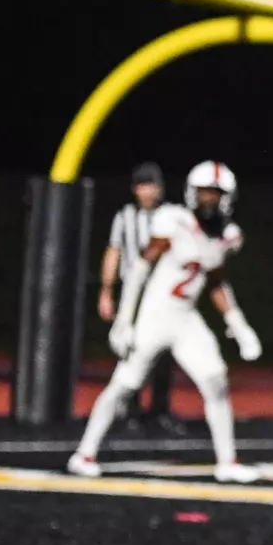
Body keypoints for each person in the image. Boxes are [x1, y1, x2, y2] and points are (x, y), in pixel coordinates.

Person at [68, 161, 263, 483]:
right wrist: (125, 320)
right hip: (155, 314)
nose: (209, 200)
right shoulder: (174, 221)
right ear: (191, 193)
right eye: (204, 193)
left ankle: (227, 461)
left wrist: (237, 323)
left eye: (216, 194)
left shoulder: (229, 236)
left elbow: (215, 281)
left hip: (186, 318)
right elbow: (141, 269)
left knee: (215, 379)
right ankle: (84, 453)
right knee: (124, 385)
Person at [98, 162, 177, 429]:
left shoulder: (170, 216)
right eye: (142, 185)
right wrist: (106, 291)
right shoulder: (125, 217)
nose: (147, 191)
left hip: (164, 292)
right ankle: (130, 408)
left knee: (164, 352)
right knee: (130, 350)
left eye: (151, 185)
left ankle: (160, 408)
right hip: (133, 293)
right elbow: (113, 251)